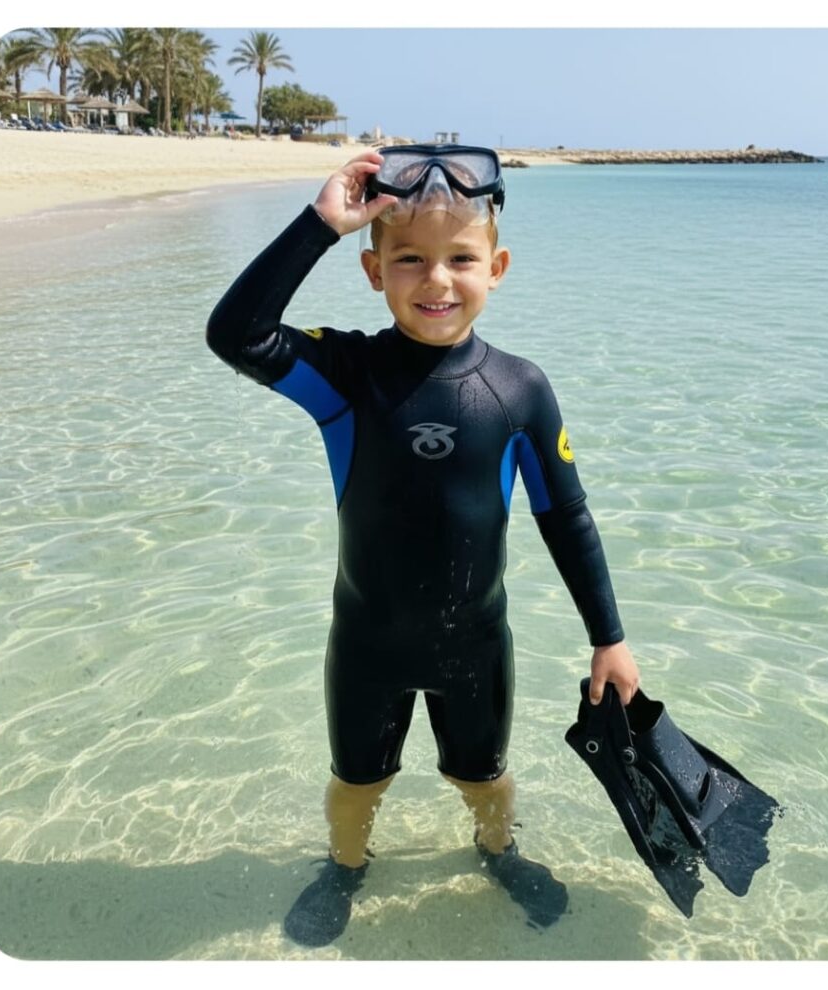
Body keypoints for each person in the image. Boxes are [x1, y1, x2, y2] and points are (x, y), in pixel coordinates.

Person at [205, 147, 640, 947]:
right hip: (366, 646)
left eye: (461, 259)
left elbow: (566, 517)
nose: (436, 280)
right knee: (356, 782)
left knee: (486, 778)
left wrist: (608, 638)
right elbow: (236, 334)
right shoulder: (347, 373)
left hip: (475, 648)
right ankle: (345, 866)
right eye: (409, 259)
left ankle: (498, 852)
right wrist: (321, 224)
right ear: (374, 271)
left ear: (496, 269)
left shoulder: (520, 390)